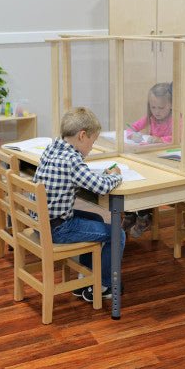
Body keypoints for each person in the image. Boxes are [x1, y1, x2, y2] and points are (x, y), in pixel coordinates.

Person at [33, 107, 123, 302]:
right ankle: (104, 285)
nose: (92, 146)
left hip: (42, 223)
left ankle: (87, 277)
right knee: (117, 233)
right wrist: (116, 176)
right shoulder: (72, 160)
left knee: (97, 218)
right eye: (93, 141)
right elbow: (100, 187)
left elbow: (83, 177)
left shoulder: (53, 148)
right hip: (57, 229)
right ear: (82, 136)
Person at [124, 82, 173, 236]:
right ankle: (130, 213)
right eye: (153, 107)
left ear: (171, 105)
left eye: (161, 108)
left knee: (147, 182)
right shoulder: (150, 117)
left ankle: (144, 217)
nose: (156, 112)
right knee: (134, 177)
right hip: (152, 159)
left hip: (168, 162)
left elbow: (178, 138)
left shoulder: (176, 119)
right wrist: (133, 134)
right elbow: (130, 128)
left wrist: (161, 139)